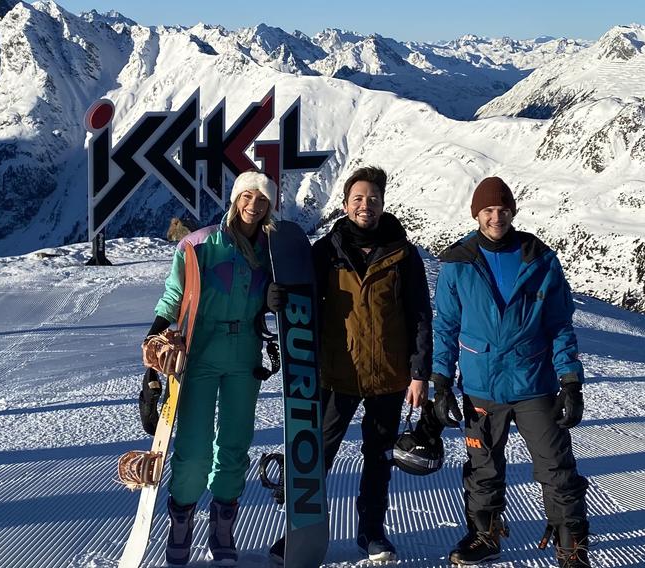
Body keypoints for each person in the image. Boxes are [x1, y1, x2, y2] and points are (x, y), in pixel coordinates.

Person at [268, 166, 433, 563]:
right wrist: (276, 299)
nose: (366, 205)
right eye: (358, 198)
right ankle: (297, 533)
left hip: (388, 376)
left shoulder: (403, 254)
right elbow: (300, 296)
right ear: (345, 204)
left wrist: (419, 373)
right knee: (316, 457)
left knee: (378, 459)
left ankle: (371, 533)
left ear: (382, 204)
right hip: (335, 373)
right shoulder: (325, 251)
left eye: (373, 199)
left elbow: (420, 315)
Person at [430, 176, 590, 567]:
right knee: (482, 467)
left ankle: (570, 548)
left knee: (556, 468)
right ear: (476, 214)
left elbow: (559, 325)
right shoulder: (458, 263)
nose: (496, 217)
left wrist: (570, 381)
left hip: (534, 382)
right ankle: (485, 536)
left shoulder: (540, 259)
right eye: (488, 211)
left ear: (513, 212)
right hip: (482, 385)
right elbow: (446, 327)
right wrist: (440, 381)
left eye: (502, 210)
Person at [139, 170, 276, 566]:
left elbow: (278, 295)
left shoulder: (271, 251)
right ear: (235, 200)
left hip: (244, 353)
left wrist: (275, 301)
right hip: (198, 351)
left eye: (262, 200)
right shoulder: (197, 245)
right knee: (194, 447)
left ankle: (222, 525)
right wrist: (153, 344)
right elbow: (173, 296)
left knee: (234, 443)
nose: (254, 206)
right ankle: (181, 520)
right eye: (248, 197)